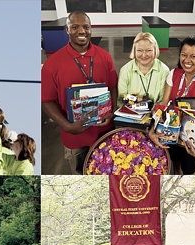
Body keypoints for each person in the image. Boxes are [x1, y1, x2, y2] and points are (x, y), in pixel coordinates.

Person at [41, 11, 117, 175]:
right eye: (75, 27)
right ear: (66, 29)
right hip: (75, 137)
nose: (81, 31)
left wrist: (112, 112)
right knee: (80, 174)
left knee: (106, 174)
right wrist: (67, 126)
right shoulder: (52, 64)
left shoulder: (105, 57)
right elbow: (47, 101)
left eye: (86, 27)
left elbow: (113, 87)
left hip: (103, 133)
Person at [149, 37, 195, 174]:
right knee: (173, 160)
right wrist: (152, 130)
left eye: (193, 56)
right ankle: (176, 172)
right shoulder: (174, 74)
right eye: (184, 55)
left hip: (192, 137)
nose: (187, 60)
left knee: (188, 168)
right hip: (171, 131)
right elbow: (164, 104)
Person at [118, 33, 169, 107]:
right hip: (130, 114)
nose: (144, 55)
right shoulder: (125, 70)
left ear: (155, 50)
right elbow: (121, 101)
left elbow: (163, 100)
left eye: (148, 50)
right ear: (134, 51)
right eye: (139, 50)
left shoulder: (164, 71)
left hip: (155, 114)